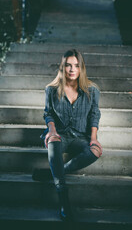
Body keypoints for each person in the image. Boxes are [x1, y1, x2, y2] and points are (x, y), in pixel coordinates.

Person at [43, 49, 102, 221]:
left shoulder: (92, 91)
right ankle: (63, 198)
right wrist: (52, 131)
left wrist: (93, 139)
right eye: (68, 65)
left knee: (95, 152)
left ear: (81, 68)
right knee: (53, 141)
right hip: (59, 134)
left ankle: (52, 173)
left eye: (76, 65)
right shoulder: (51, 90)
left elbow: (94, 115)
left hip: (80, 137)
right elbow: (48, 113)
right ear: (62, 67)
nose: (72, 69)